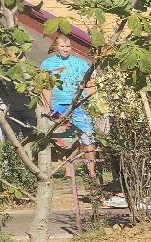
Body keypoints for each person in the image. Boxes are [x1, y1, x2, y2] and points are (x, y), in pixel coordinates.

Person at [39, 35, 106, 201]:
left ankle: (91, 170)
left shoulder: (80, 63)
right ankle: (69, 168)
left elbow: (90, 83)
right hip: (58, 105)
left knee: (87, 137)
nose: (65, 49)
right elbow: (45, 86)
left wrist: (94, 103)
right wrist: (47, 106)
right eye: (62, 47)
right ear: (56, 48)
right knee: (67, 138)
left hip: (78, 105)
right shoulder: (48, 64)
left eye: (68, 46)